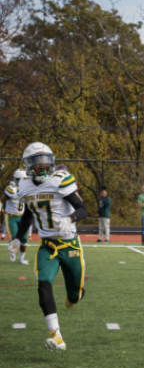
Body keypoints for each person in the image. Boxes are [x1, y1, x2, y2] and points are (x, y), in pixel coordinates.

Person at [9, 142, 88, 351]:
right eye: (37, 162)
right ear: (28, 165)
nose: (42, 166)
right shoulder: (24, 186)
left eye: (45, 161)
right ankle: (57, 336)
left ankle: (75, 296)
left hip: (70, 244)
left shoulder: (60, 180)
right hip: (47, 246)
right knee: (43, 283)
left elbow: (82, 208)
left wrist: (70, 219)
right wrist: (17, 238)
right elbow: (27, 214)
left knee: (74, 296)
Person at [1, 169, 31, 264]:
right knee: (14, 237)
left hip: (22, 216)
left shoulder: (28, 189)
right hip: (11, 217)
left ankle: (21, 259)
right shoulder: (11, 189)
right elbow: (2, 201)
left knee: (24, 239)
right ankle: (12, 248)